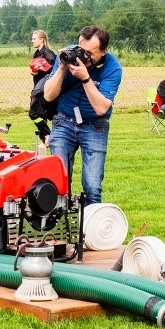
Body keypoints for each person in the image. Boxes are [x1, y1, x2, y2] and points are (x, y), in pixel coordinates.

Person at [43, 25, 122, 206]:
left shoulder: (113, 68)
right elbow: (48, 95)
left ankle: (90, 231)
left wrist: (85, 78)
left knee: (92, 186)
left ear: (103, 51)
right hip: (63, 121)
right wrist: (62, 67)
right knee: (59, 181)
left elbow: (101, 108)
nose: (83, 56)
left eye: (90, 53)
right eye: (81, 49)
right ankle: (60, 230)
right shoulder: (69, 55)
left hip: (95, 125)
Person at [29, 30, 57, 144]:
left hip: (45, 90)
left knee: (33, 113)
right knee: (40, 114)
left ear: (42, 39)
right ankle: (45, 139)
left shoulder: (49, 54)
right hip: (38, 87)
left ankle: (48, 135)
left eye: (34, 39)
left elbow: (54, 72)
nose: (32, 41)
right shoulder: (36, 54)